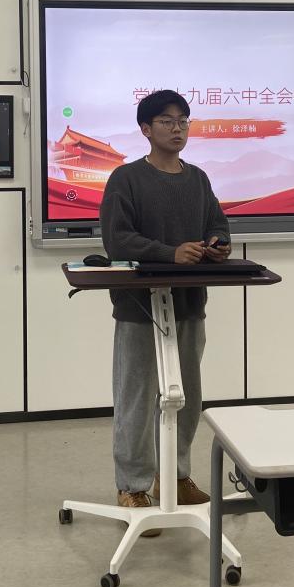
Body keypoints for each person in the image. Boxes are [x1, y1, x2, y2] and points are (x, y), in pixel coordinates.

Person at [100, 89, 231, 535]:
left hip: (189, 302)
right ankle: (132, 485)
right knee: (138, 395)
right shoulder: (126, 179)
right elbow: (118, 240)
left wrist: (217, 244)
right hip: (140, 305)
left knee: (185, 394)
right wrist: (168, 252)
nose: (177, 129)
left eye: (183, 121)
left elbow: (217, 223)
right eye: (167, 121)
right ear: (145, 129)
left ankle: (174, 476)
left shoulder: (198, 179)